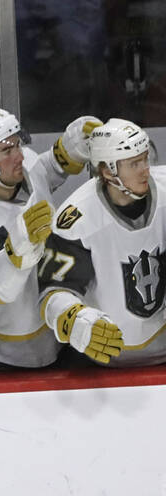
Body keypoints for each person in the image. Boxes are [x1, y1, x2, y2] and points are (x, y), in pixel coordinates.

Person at [0, 107, 101, 369]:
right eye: (7, 151)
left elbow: (42, 169)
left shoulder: (21, 166)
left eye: (17, 144)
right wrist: (17, 251)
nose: (19, 155)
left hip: (60, 335)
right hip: (12, 358)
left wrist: (67, 151)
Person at [39, 118, 166, 367]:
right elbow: (52, 291)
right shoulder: (77, 219)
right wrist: (75, 319)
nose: (145, 170)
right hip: (105, 359)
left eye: (145, 159)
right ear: (108, 171)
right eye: (134, 163)